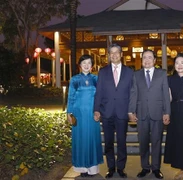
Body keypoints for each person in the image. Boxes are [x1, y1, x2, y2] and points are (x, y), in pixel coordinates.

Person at [128, 49, 170, 179]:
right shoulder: (136, 75)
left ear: (154, 60)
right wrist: (131, 111)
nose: (147, 60)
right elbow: (134, 93)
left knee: (157, 141)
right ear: (141, 60)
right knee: (143, 141)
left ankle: (156, 168)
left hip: (158, 112)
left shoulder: (162, 74)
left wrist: (167, 112)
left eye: (149, 57)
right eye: (144, 57)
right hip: (141, 113)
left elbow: (165, 95)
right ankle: (145, 167)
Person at [94, 43, 133, 178]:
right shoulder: (103, 71)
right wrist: (96, 109)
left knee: (122, 142)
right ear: (109, 55)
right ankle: (111, 168)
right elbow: (99, 92)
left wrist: (132, 110)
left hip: (123, 112)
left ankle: (121, 168)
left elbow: (132, 93)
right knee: (109, 142)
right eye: (112, 53)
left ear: (121, 54)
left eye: (117, 52)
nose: (115, 55)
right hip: (107, 112)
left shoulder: (129, 72)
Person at [66, 54, 103, 177]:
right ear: (80, 65)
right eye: (84, 63)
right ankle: (82, 168)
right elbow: (70, 97)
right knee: (80, 139)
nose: (86, 65)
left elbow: (100, 97)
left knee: (92, 139)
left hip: (92, 114)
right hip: (79, 114)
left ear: (92, 66)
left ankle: (92, 168)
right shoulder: (74, 80)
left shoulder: (96, 79)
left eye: (89, 63)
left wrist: (99, 111)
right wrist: (69, 113)